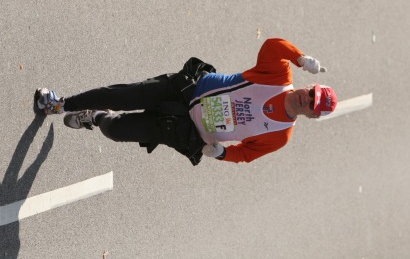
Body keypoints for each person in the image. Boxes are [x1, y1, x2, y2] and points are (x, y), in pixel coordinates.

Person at [35, 38, 337, 166]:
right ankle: (59, 103)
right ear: (310, 85)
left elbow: (246, 154)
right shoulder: (279, 74)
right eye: (312, 92)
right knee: (120, 95)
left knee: (115, 131)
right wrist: (300, 57)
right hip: (184, 91)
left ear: (311, 116)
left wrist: (220, 154)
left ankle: (96, 117)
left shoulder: (280, 135)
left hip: (184, 130)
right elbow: (273, 45)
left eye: (312, 104)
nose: (306, 98)